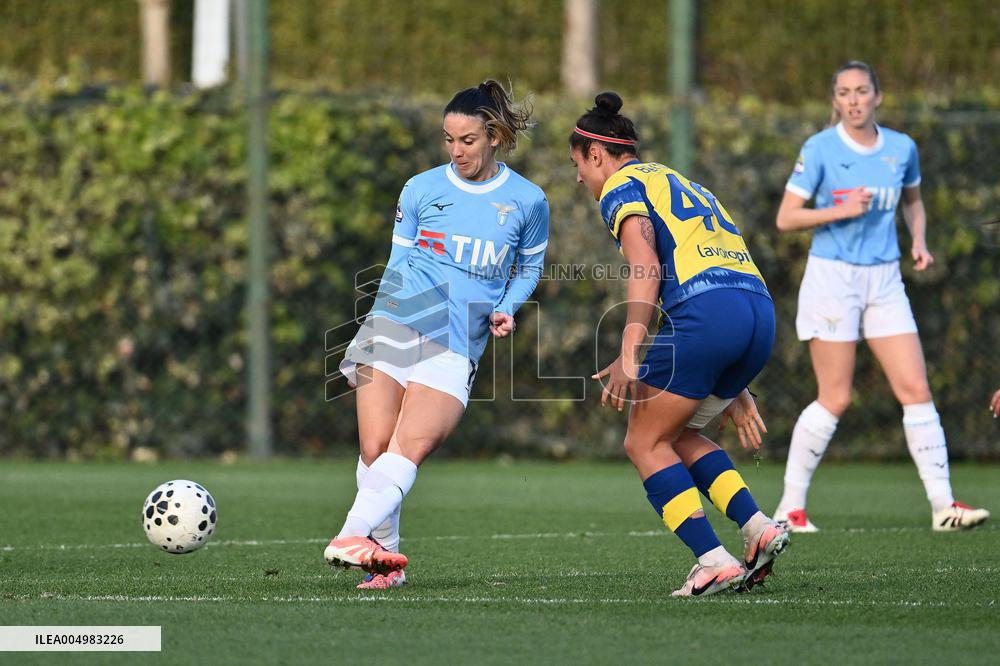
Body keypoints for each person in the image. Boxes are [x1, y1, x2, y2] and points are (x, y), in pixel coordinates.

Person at [325, 80, 549, 589]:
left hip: (457, 338)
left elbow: (527, 270)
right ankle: (385, 565)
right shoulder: (421, 188)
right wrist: (371, 330)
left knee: (412, 444)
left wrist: (507, 308)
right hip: (396, 321)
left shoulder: (528, 201)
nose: (456, 150)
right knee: (374, 448)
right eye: (448, 140)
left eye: (467, 140)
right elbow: (399, 264)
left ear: (494, 136)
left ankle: (351, 535)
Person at [570, 93, 788, 597]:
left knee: (642, 441)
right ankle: (757, 528)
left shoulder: (619, 188)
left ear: (596, 154)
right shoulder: (679, 180)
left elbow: (646, 267)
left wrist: (629, 353)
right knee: (676, 433)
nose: (579, 177)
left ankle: (714, 561)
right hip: (757, 311)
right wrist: (734, 384)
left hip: (707, 316)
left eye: (578, 163)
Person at [773, 61, 990, 533]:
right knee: (836, 397)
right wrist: (840, 209)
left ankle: (943, 506)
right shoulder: (821, 149)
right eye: (845, 93)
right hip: (833, 278)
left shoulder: (901, 147)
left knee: (915, 389)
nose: (854, 100)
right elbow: (787, 218)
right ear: (835, 101)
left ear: (878, 96)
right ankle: (790, 508)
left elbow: (913, 201)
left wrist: (919, 240)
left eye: (862, 91)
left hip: (885, 279)